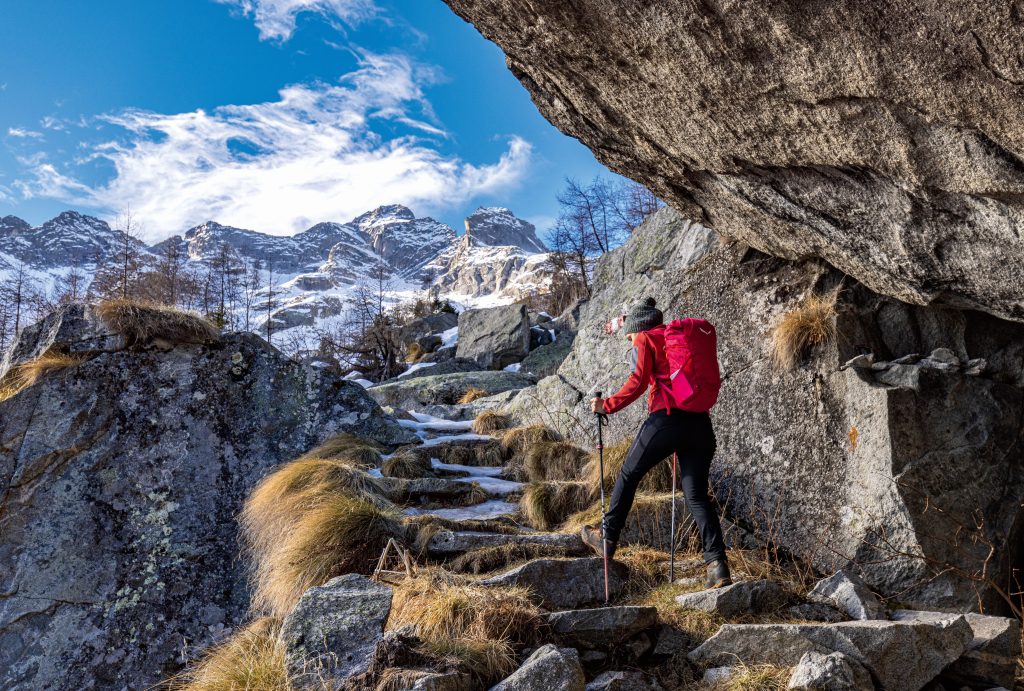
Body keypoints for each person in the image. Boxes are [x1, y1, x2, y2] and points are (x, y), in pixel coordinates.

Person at [582, 297, 732, 589]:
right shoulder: (678, 341)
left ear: (640, 328)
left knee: (629, 473)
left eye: (630, 336)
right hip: (700, 424)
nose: (629, 340)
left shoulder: (646, 338)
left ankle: (607, 538)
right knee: (697, 495)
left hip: (667, 418)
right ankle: (717, 566)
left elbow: (638, 381)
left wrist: (607, 406)